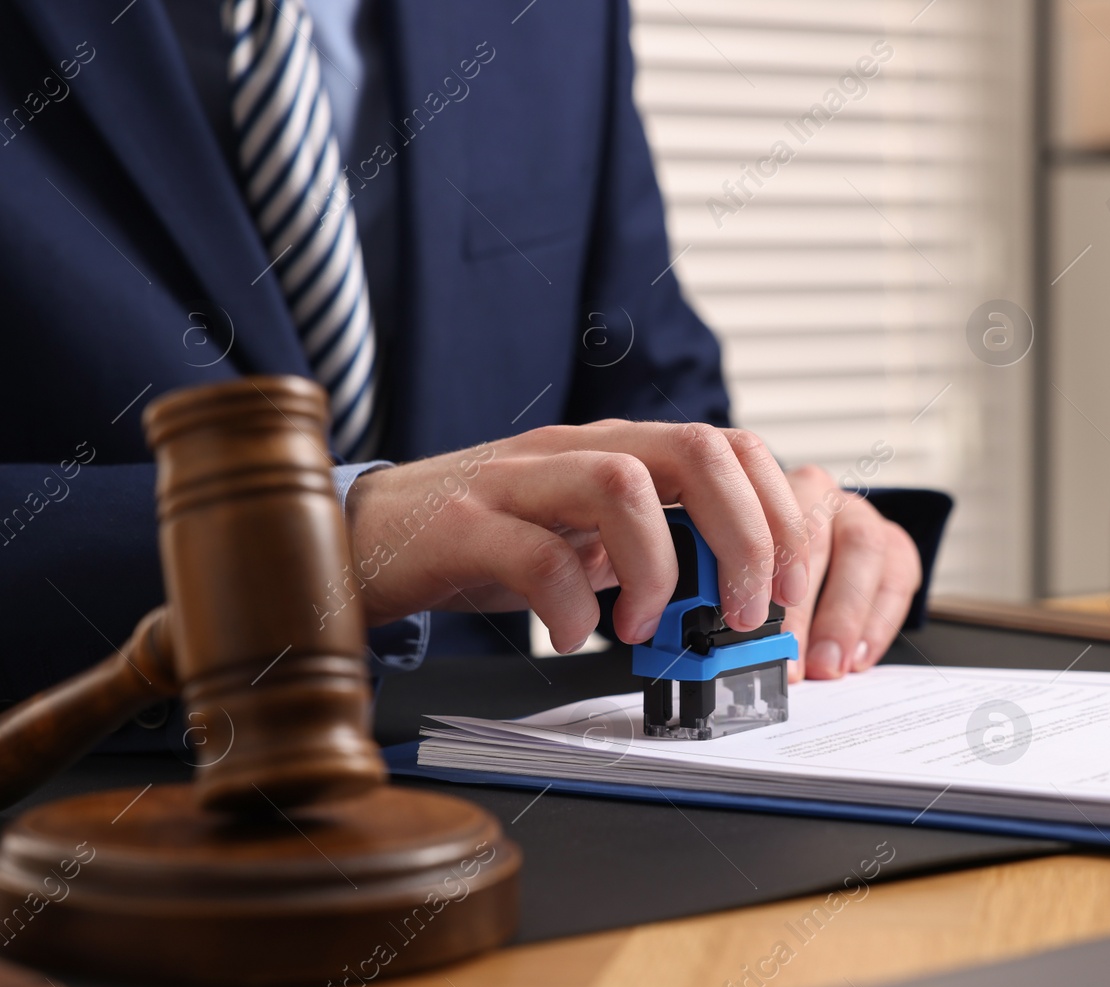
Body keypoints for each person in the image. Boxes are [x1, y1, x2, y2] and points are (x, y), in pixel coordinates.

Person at [0, 0, 947, 709]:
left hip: (514, 829)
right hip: (75, 820)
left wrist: (779, 524)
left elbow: (648, 394)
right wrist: (323, 537)